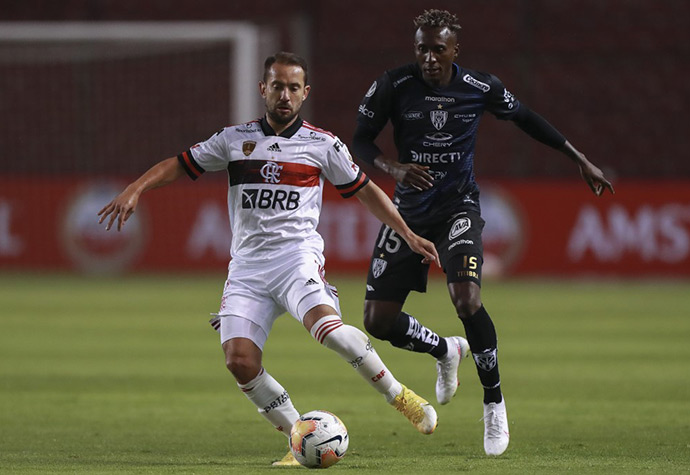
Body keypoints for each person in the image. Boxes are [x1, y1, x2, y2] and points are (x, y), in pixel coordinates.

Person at [98, 52, 442, 467]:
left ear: (304, 93)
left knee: (330, 332)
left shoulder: (322, 144)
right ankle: (300, 437)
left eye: (293, 87)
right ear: (263, 89)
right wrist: (136, 188)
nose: (285, 95)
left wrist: (405, 232)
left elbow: (366, 189)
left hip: (296, 260)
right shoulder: (232, 139)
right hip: (246, 270)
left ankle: (399, 396)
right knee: (239, 361)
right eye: (277, 86)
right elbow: (180, 164)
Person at [352, 9, 615, 457]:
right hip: (408, 213)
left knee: (467, 299)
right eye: (422, 48)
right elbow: (361, 139)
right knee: (376, 321)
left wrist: (579, 158)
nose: (430, 57)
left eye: (439, 49)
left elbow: (528, 118)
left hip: (458, 207)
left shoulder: (479, 87)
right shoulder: (393, 85)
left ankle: (494, 402)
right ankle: (445, 350)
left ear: (456, 49)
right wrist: (393, 166)